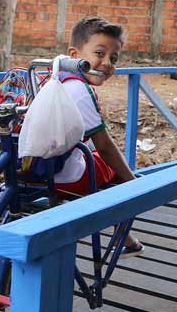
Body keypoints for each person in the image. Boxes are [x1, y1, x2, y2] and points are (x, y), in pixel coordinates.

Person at [51, 16, 143, 253]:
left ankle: (126, 238)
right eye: (99, 54)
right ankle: (125, 238)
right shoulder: (80, 90)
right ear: (74, 55)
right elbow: (105, 146)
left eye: (113, 58)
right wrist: (133, 182)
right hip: (63, 176)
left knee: (96, 160)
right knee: (112, 169)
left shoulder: (54, 78)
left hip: (36, 168)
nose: (107, 64)